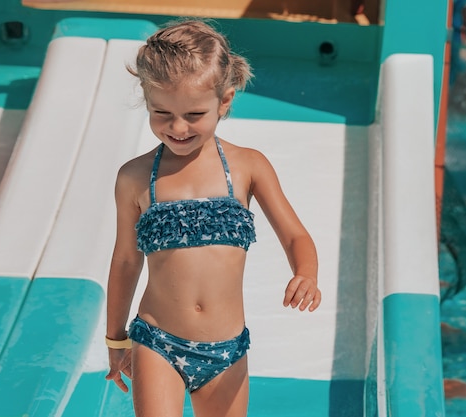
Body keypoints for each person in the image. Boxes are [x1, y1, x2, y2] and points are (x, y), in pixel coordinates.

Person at [104, 19, 321, 417]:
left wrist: (306, 272)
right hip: (157, 341)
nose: (177, 127)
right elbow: (125, 260)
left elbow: (295, 236)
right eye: (161, 112)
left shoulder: (247, 166)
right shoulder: (134, 177)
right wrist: (116, 341)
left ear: (225, 101)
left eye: (194, 114)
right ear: (146, 100)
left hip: (227, 349)